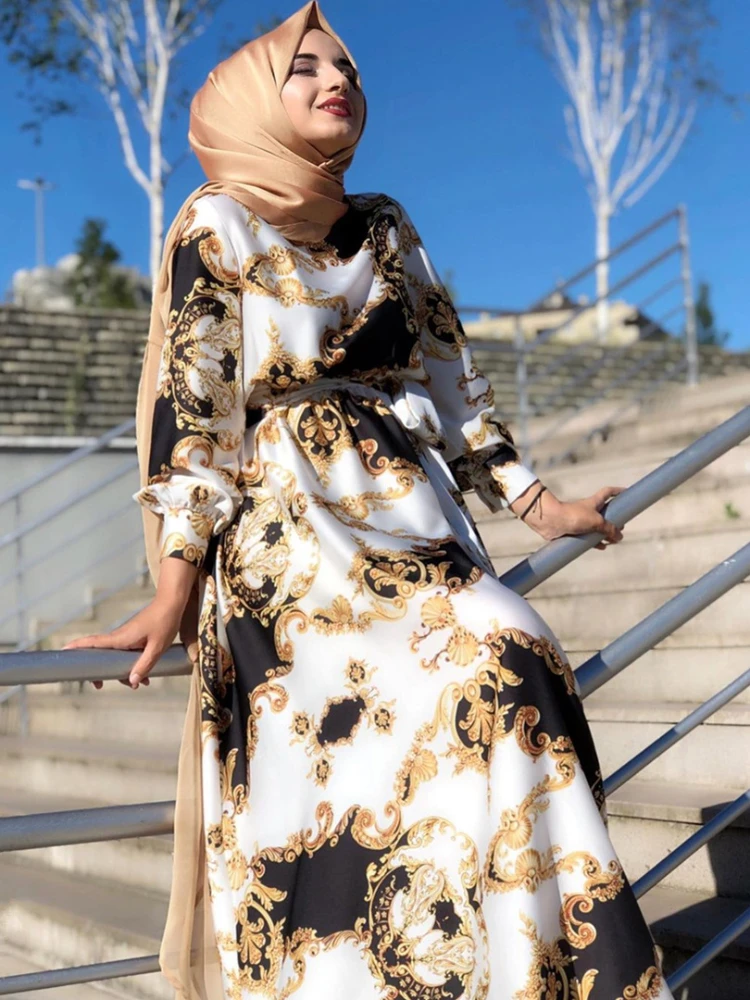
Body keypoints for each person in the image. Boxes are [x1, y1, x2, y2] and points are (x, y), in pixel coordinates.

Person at [63, 3, 675, 998]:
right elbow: (198, 412)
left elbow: (452, 382)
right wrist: (175, 587)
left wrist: (540, 505)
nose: (336, 79)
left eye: (346, 66)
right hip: (287, 540)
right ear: (255, 98)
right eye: (303, 68)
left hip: (409, 513)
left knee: (513, 654)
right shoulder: (217, 222)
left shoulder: (385, 225)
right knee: (350, 773)